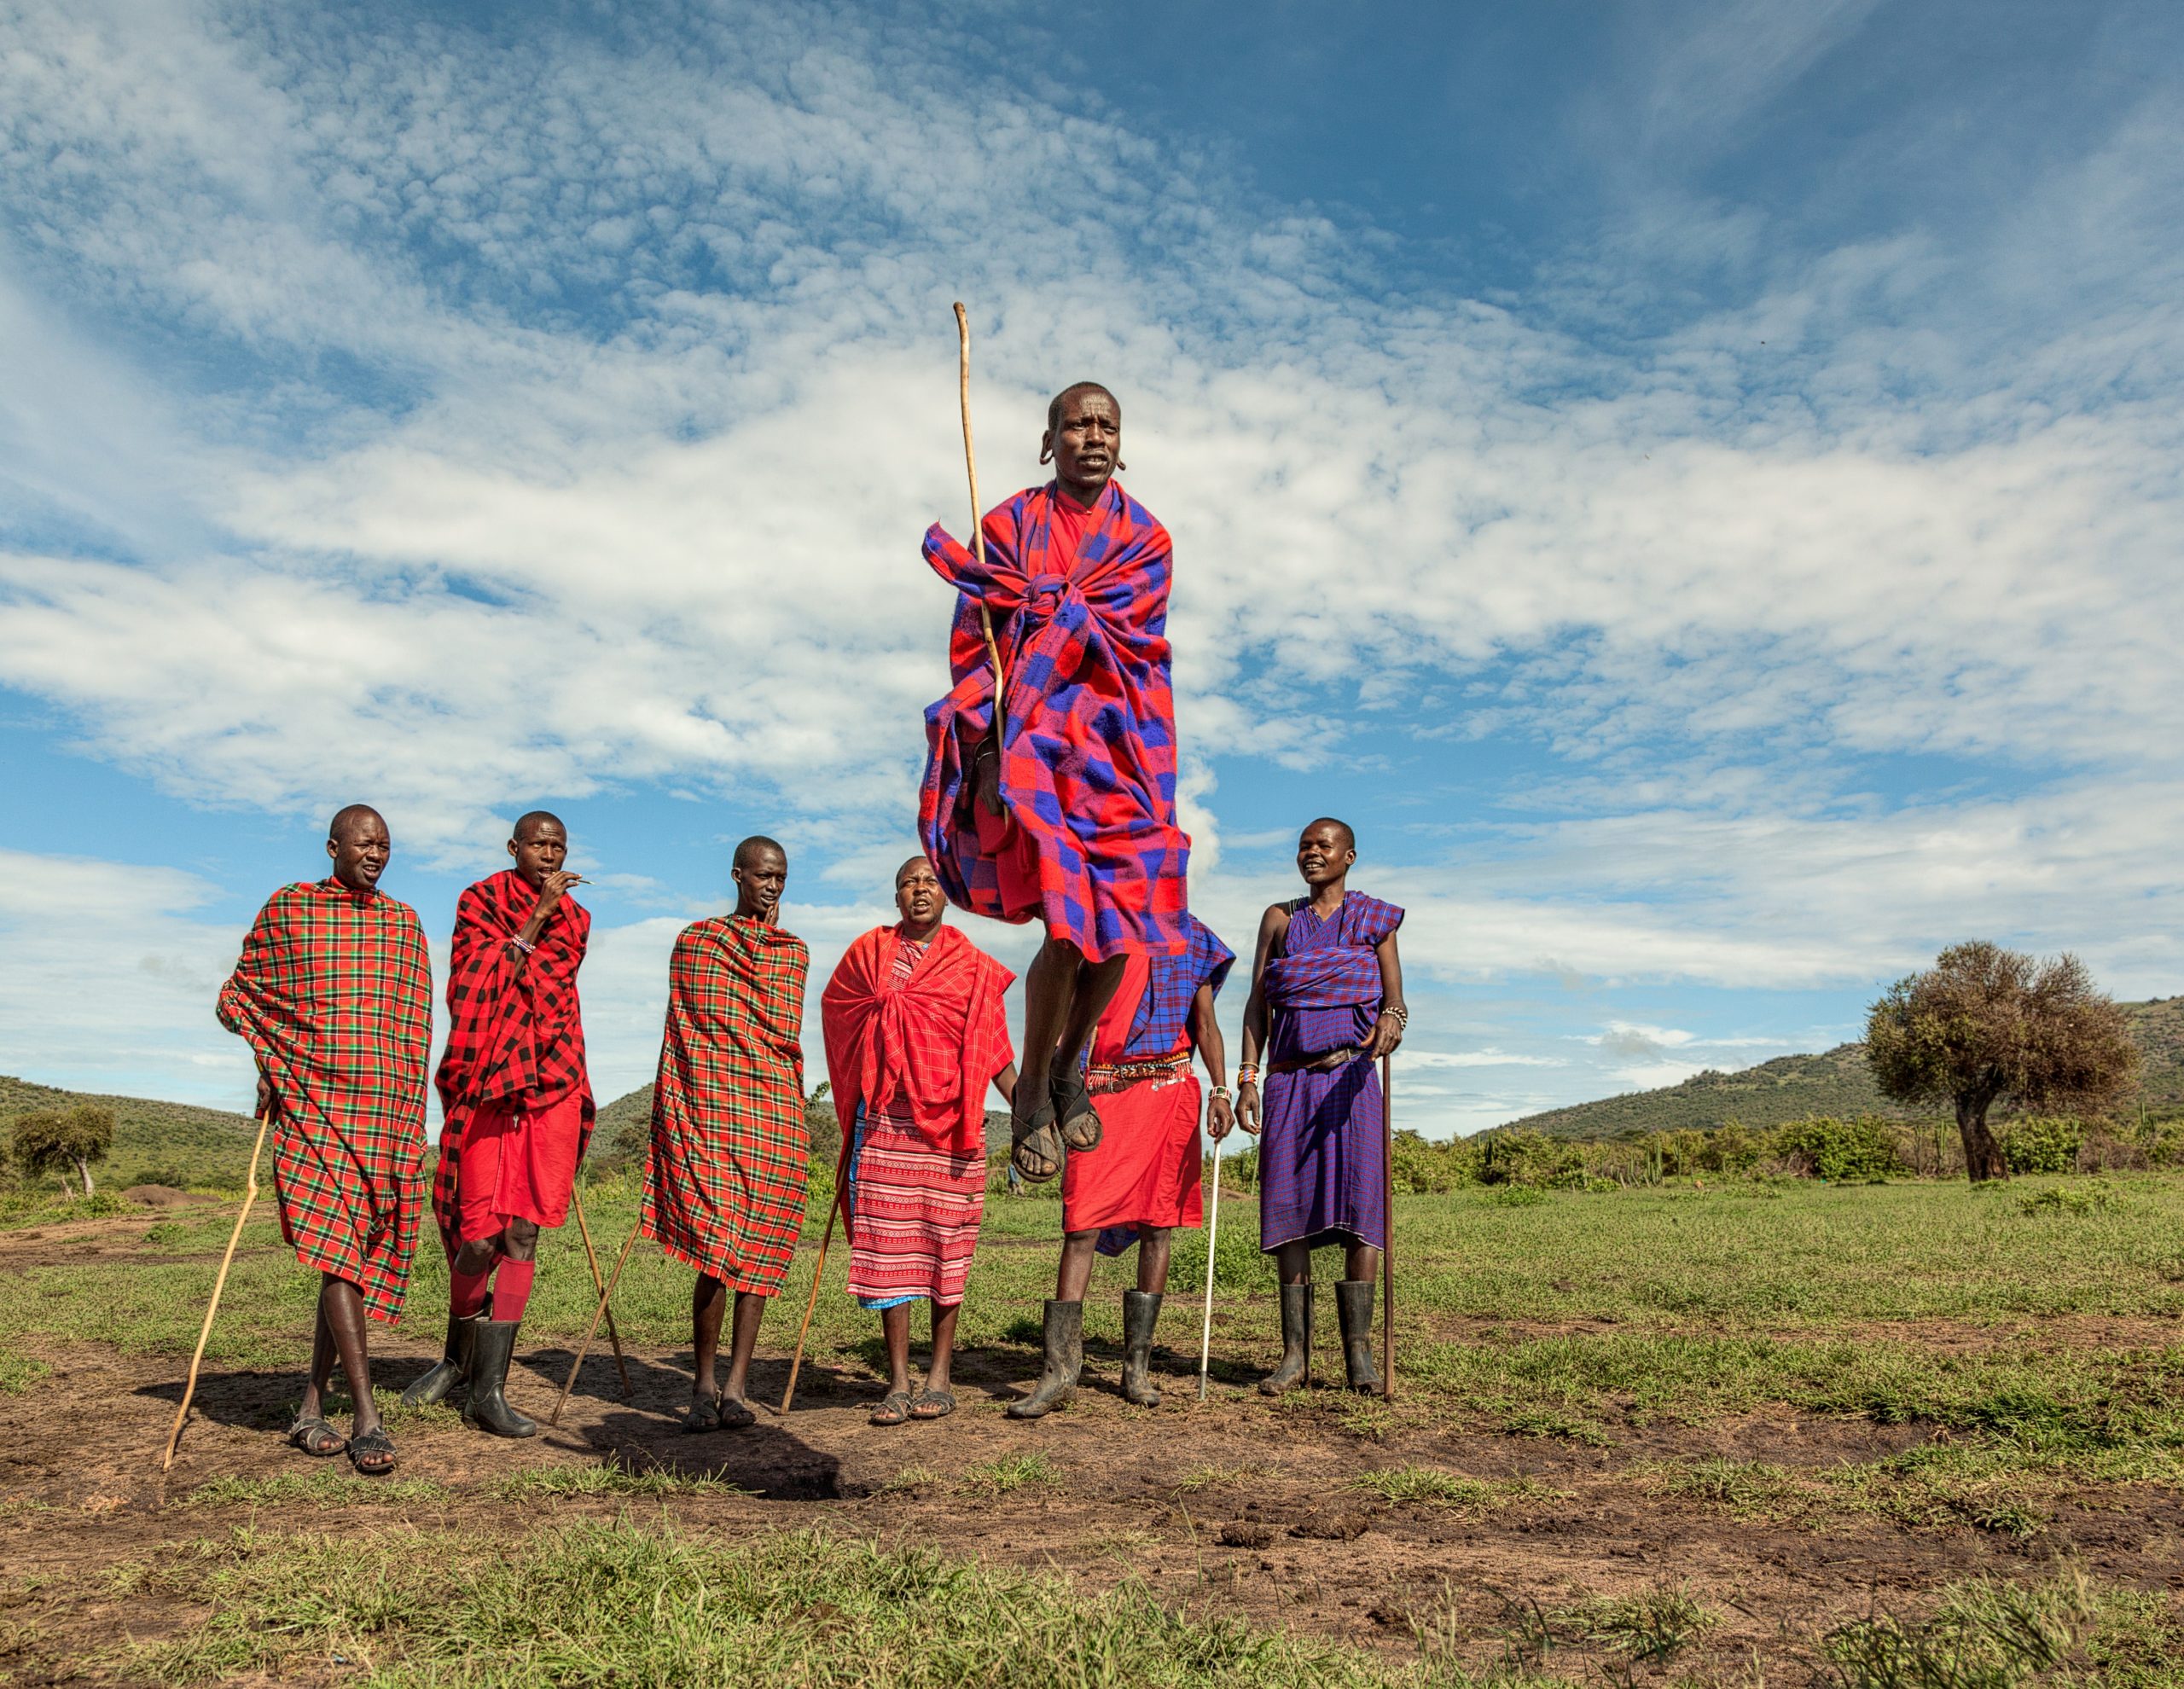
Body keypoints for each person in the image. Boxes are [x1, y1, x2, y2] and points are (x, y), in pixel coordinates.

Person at [917, 382, 1191, 1192]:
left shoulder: (1148, 540)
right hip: (1038, 745)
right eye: (1078, 424)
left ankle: (1070, 1064)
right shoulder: (1005, 526)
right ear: (1050, 441)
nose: (1094, 436)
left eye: (1107, 425)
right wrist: (992, 755)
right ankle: (1033, 1087)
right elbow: (976, 646)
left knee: (1132, 920)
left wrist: (1064, 615)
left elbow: (1140, 647)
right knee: (1070, 925)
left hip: (1122, 744)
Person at [216, 804, 433, 1476]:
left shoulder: (403, 923)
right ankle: (366, 1416)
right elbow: (241, 998)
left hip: (382, 1115)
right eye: (365, 842)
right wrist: (278, 1063)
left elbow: (412, 1024)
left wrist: (406, 1111)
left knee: (348, 1258)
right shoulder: (290, 910)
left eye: (386, 845)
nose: (377, 853)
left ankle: (309, 1405)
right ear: (334, 845)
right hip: (314, 1108)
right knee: (339, 1259)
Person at [404, 811, 594, 1439]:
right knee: (478, 1237)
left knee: (522, 1236)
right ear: (515, 847)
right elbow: (476, 983)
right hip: (488, 1081)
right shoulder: (480, 900)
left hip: (550, 1079)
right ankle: (455, 1358)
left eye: (558, 845)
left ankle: (490, 1389)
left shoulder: (578, 918)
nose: (550, 853)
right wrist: (536, 914)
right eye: (539, 844)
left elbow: (549, 982)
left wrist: (543, 926)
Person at [1012, 915, 1235, 1419]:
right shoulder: (1100, 927)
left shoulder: (1194, 937)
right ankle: (1060, 1371)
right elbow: (1060, 1006)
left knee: (1159, 1225)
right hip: (1098, 1094)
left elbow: (1204, 1024)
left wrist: (1221, 1089)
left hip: (1169, 1091)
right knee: (1081, 1225)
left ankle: (1137, 1368)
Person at [820, 856, 1017, 1425]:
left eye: (930, 881)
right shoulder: (868, 954)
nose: (920, 889)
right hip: (885, 1121)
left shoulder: (972, 967)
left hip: (952, 1127)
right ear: (896, 895)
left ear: (948, 894)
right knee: (890, 1252)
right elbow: (841, 1016)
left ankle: (940, 1376)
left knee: (942, 1248)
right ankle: (900, 1380)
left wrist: (1031, 1110)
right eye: (909, 882)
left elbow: (995, 1050)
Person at [642, 836, 810, 1431]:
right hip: (713, 1115)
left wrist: (766, 943)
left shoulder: (792, 953)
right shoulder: (698, 941)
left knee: (758, 1253)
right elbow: (692, 1029)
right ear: (738, 875)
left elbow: (785, 1041)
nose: (771, 886)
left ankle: (737, 1386)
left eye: (781, 879)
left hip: (770, 1118)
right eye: (763, 875)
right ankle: (703, 1382)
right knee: (716, 1250)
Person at [1236, 819, 1406, 1393]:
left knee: (1364, 1210)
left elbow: (1397, 1003)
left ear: (1349, 856)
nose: (1311, 853)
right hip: (1289, 1080)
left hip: (1352, 1080)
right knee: (1288, 1211)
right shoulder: (1279, 920)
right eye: (1304, 846)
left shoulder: (1375, 920)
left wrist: (1391, 1021)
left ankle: (1359, 1355)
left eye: (1322, 846)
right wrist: (1247, 1076)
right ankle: (1295, 1355)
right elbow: (1258, 1005)